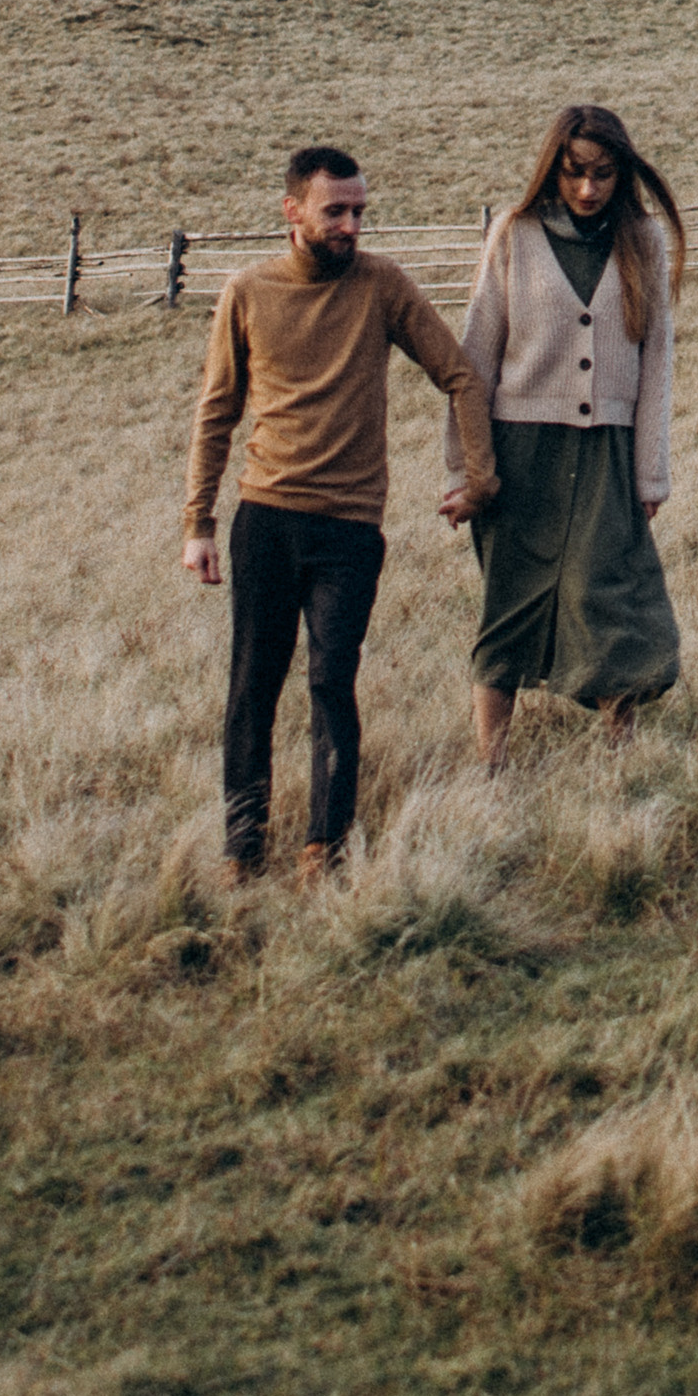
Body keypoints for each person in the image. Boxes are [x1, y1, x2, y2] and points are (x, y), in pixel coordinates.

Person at [184, 144, 498, 885]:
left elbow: (459, 376)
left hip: (351, 528)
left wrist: (477, 478)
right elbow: (216, 412)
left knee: (332, 680)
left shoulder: (382, 284)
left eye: (360, 211)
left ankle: (324, 844)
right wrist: (197, 523)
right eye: (336, 211)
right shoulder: (248, 291)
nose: (351, 225)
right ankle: (241, 847)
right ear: (292, 213)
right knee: (252, 687)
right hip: (265, 517)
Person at [443, 102, 684, 771]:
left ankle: (619, 753)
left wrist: (649, 473)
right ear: (552, 168)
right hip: (519, 455)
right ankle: (491, 764)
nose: (586, 189)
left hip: (606, 453)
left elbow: (656, 361)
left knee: (605, 594)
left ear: (621, 173)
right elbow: (475, 358)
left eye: (603, 174)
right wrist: (465, 469)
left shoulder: (643, 240)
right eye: (574, 173)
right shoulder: (512, 234)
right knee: (510, 601)